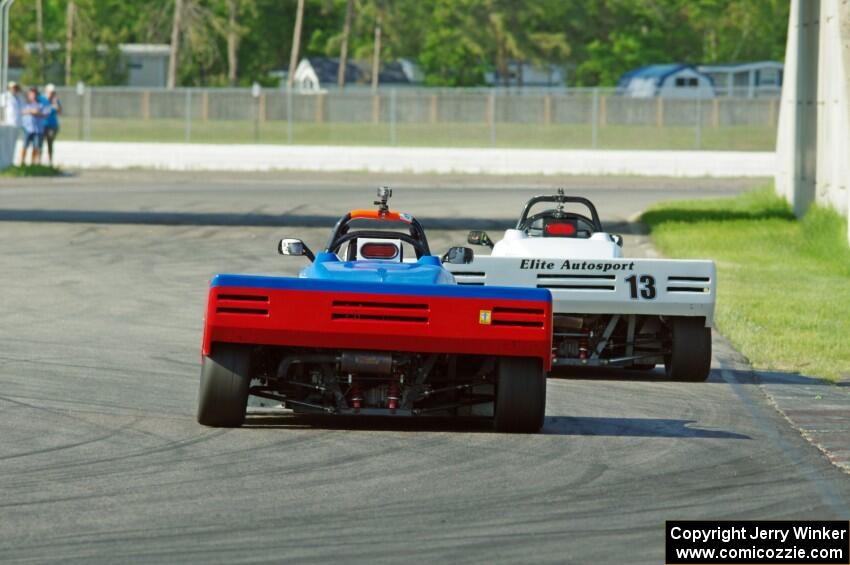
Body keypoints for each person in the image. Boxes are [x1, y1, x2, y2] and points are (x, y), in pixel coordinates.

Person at [20, 87, 47, 166]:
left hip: (38, 129)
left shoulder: (40, 104)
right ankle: (22, 162)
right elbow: (21, 112)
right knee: (25, 146)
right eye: (31, 94)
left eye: (34, 94)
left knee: (36, 147)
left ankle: (32, 163)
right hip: (27, 129)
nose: (33, 96)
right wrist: (31, 111)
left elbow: (44, 114)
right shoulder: (25, 104)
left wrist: (36, 113)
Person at [42, 83, 61, 166]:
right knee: (39, 143)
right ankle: (38, 162)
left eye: (53, 92)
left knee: (50, 143)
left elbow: (59, 112)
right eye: (50, 92)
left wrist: (56, 103)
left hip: (52, 125)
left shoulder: (56, 100)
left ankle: (50, 162)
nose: (51, 94)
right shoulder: (42, 99)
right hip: (42, 124)